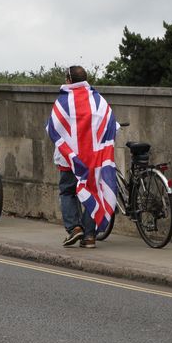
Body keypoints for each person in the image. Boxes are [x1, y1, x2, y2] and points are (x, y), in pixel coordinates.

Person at [46, 65, 119, 249]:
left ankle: (74, 228)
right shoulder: (98, 100)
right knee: (94, 193)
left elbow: (53, 128)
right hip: (93, 160)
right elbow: (111, 123)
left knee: (68, 192)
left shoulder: (63, 101)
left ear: (69, 80)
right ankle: (89, 236)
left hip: (70, 159)